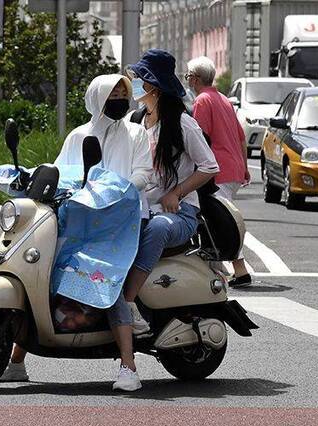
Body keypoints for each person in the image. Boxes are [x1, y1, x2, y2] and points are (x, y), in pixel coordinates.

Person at [0, 74, 152, 390]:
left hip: (119, 222)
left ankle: (128, 366)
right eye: (113, 94)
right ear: (98, 99)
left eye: (124, 93)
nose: (120, 99)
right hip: (78, 220)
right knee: (41, 275)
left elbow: (143, 174)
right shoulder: (78, 136)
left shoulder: (136, 134)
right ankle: (16, 362)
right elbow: (62, 171)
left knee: (103, 279)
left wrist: (117, 191)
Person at [116, 49, 220, 391]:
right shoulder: (134, 121)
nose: (134, 85)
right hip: (139, 210)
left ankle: (129, 304)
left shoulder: (183, 123)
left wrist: (176, 192)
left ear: (155, 87)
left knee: (158, 228)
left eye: (140, 80)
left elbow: (209, 167)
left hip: (180, 215)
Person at [186, 56, 251, 287]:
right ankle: (227, 269)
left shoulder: (202, 101)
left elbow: (199, 138)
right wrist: (243, 166)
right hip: (232, 167)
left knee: (221, 223)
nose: (187, 82)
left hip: (217, 170)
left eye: (187, 77)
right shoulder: (224, 99)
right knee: (223, 220)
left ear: (194, 79)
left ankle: (234, 271)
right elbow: (241, 137)